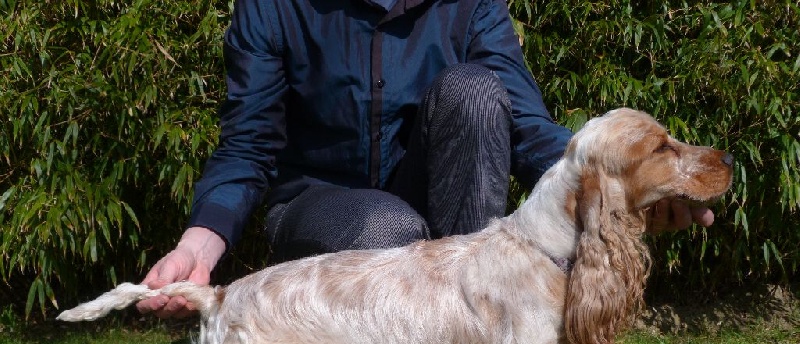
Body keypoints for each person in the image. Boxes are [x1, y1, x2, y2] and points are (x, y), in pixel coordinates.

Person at [137, 0, 713, 318]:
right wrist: (196, 246)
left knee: (479, 92)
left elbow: (529, 129)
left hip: (440, 224)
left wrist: (624, 191)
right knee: (389, 226)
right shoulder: (274, 6)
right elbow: (248, 143)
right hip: (315, 204)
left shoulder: (472, 5)